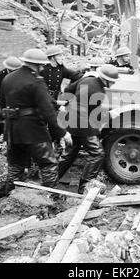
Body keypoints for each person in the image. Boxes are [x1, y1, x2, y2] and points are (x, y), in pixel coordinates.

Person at [0, 49, 72, 188]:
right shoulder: (36, 81)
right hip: (33, 130)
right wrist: (62, 133)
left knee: (16, 164)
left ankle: (10, 194)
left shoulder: (8, 78)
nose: (42, 68)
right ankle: (52, 198)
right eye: (41, 66)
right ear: (37, 65)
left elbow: (3, 105)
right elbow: (48, 111)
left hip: (12, 129)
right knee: (48, 163)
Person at [59, 64, 120, 194]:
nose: (113, 84)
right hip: (83, 125)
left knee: (69, 154)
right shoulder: (97, 91)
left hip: (71, 121)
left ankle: (50, 181)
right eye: (112, 81)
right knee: (97, 154)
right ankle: (85, 187)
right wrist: (110, 115)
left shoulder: (86, 79)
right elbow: (94, 114)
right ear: (106, 79)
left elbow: (68, 90)